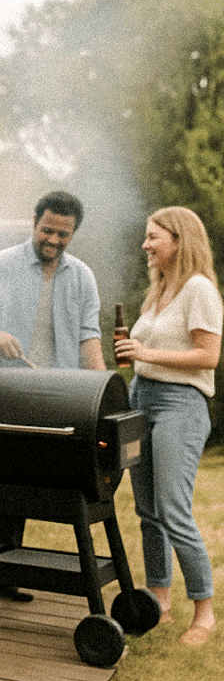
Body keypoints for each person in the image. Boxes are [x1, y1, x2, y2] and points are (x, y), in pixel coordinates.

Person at [0, 191, 106, 597]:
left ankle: (2, 572)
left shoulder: (82, 277)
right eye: (47, 230)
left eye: (62, 234)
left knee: (19, 487)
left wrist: (104, 393)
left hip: (49, 397)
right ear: (34, 223)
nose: (53, 239)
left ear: (73, 234)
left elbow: (89, 339)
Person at [115, 206, 222, 646]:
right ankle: (159, 600)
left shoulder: (199, 289)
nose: (145, 244)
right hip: (143, 398)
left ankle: (205, 611)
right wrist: (133, 356)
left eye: (153, 236)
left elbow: (208, 357)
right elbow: (146, 352)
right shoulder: (158, 290)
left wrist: (146, 354)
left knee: (173, 508)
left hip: (180, 404)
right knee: (147, 510)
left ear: (178, 240)